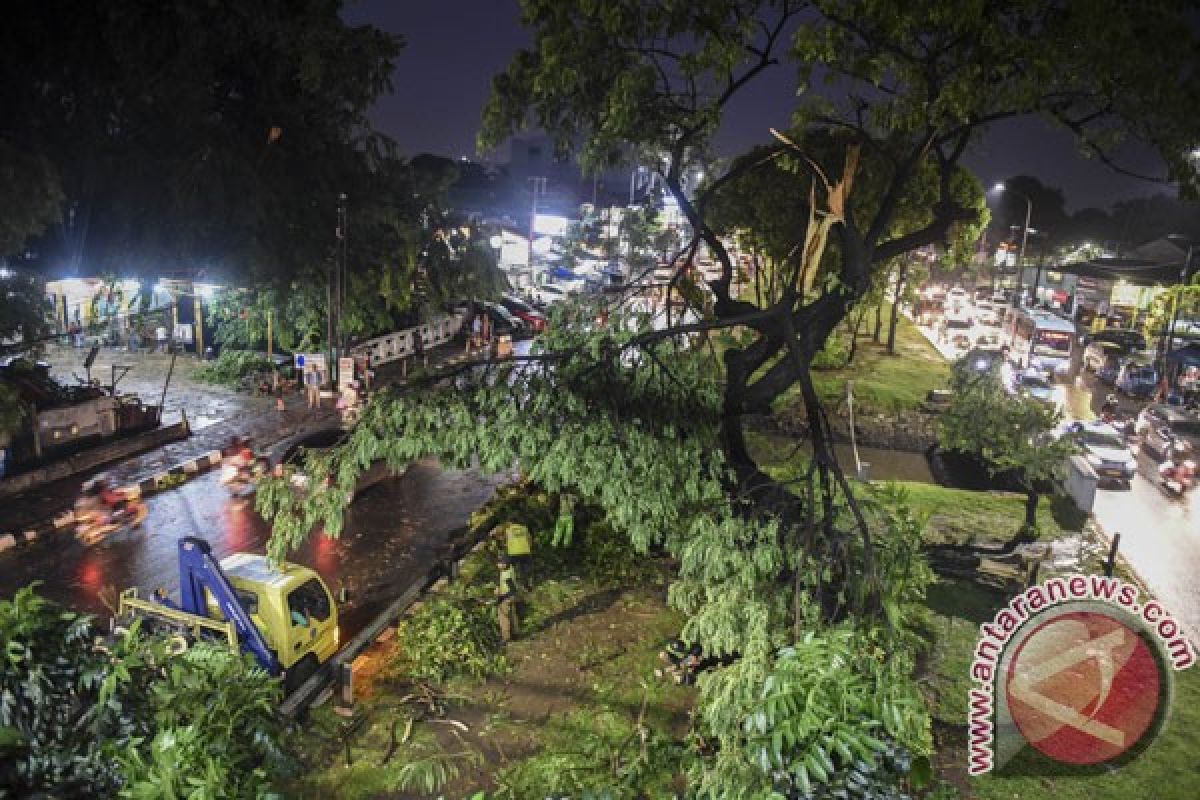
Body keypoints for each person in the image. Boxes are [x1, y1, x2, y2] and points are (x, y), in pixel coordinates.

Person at [495, 554, 520, 643]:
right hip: (512, 597)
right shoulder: (510, 569)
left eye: (501, 563)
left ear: (505, 564)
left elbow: (512, 589)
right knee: (512, 614)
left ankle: (506, 638)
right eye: (498, 563)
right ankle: (516, 634)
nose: (498, 565)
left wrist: (501, 597)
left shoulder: (506, 575)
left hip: (507, 597)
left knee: (503, 617)